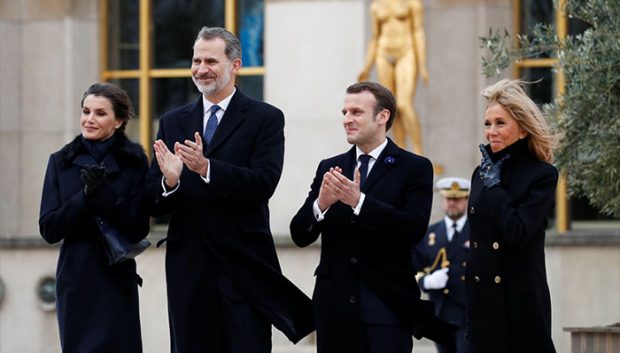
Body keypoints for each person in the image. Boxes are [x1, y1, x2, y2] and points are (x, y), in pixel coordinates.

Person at [146, 26, 314, 353]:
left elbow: (263, 183)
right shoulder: (172, 121)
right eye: (196, 60)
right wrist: (169, 181)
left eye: (211, 60)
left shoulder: (265, 118)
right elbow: (151, 201)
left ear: (235, 65)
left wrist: (206, 168)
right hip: (189, 270)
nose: (200, 69)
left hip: (244, 268)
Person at [290, 81, 455, 353]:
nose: (347, 120)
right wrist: (321, 204)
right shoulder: (330, 167)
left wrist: (360, 202)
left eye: (356, 112)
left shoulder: (414, 168)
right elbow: (299, 234)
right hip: (335, 308)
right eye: (344, 112)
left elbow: (412, 229)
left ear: (383, 116)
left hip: (387, 306)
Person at [39, 83, 150, 352]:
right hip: (77, 278)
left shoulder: (135, 162)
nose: (89, 119)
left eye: (100, 113)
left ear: (118, 121)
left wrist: (103, 196)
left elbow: (138, 228)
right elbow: (49, 228)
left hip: (115, 277)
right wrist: (85, 198)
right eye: (86, 111)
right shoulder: (60, 162)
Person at [466, 79, 558, 353]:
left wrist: (495, 188)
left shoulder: (541, 175)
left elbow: (518, 233)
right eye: (487, 124)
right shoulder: (481, 174)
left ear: (522, 130)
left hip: (519, 303)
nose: (491, 132)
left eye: (500, 123)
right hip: (482, 303)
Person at [358, 0, 429, 155]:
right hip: (383, 53)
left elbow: (418, 31)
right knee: (391, 107)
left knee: (404, 103)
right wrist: (367, 67)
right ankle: (401, 150)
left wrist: (422, 64)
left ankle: (418, 151)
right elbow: (375, 37)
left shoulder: (412, 3)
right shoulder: (376, 5)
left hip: (406, 51)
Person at [413, 177, 472, 353]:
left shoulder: (476, 232)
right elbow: (415, 267)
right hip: (440, 313)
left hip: (467, 314)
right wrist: (426, 281)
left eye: (457, 199)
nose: (452, 203)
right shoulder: (431, 233)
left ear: (466, 200)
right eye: (448, 198)